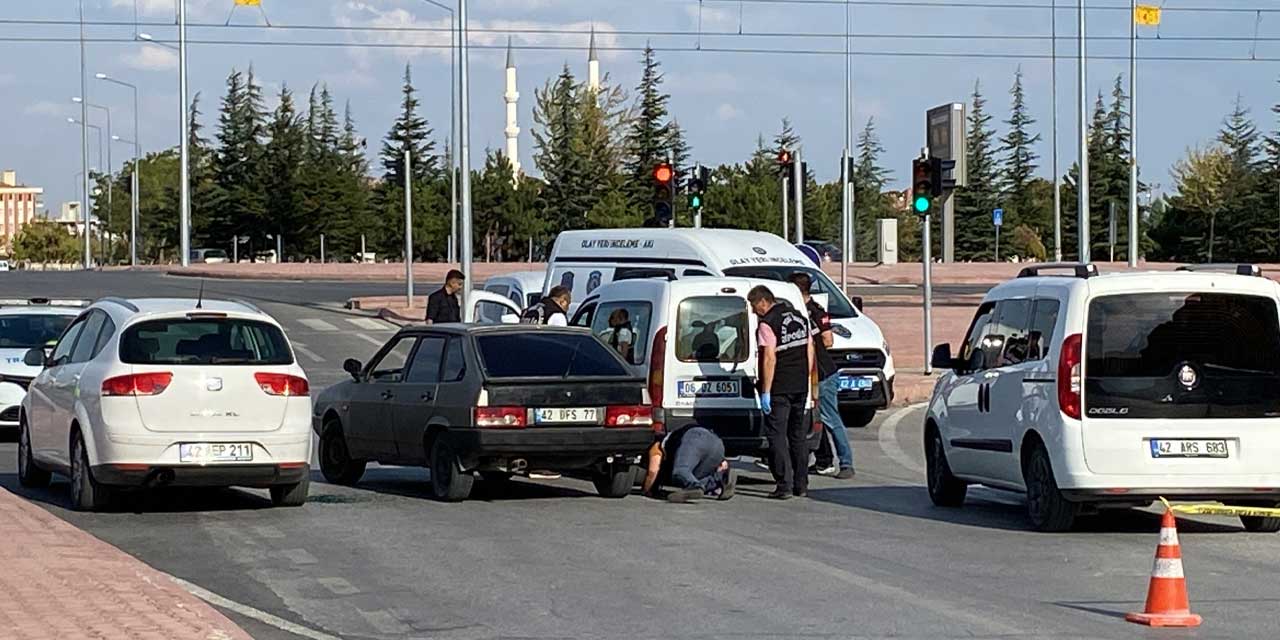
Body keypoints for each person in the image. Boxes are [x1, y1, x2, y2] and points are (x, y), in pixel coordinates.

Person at [748, 285, 814, 500]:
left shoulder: (767, 324)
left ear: (763, 302)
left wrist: (766, 390)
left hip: (780, 386)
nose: (753, 311)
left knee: (777, 436)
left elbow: (769, 358)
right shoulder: (799, 318)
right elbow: (809, 349)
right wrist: (807, 377)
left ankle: (783, 485)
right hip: (800, 384)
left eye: (753, 305)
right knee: (798, 436)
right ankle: (801, 484)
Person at [788, 272, 855, 480]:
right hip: (810, 374)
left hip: (823, 374)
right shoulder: (801, 310)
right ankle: (823, 460)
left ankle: (846, 463)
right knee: (816, 418)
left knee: (830, 418)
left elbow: (828, 340)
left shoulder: (814, 312)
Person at [641, 425, 735, 503]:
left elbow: (653, 470)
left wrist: (647, 490)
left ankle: (694, 486)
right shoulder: (673, 438)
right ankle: (722, 478)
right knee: (696, 477)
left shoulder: (656, 445)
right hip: (717, 443)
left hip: (694, 438)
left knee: (680, 471)